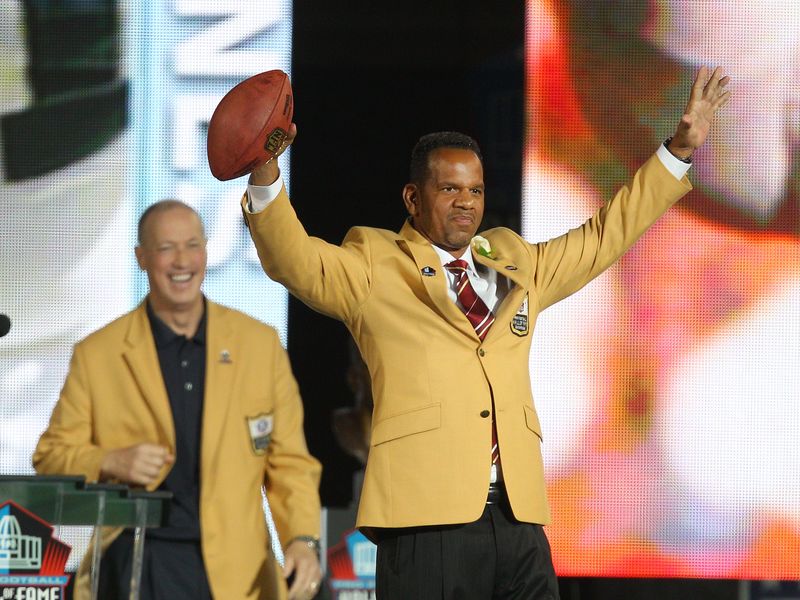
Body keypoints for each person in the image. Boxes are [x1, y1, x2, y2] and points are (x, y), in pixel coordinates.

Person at [241, 67, 730, 599]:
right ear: (413, 199)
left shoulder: (514, 260)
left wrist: (678, 152)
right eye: (449, 188)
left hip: (518, 519)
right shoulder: (374, 265)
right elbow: (294, 259)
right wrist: (265, 169)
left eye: (475, 189)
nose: (466, 201)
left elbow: (604, 235)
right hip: (427, 521)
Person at [33, 200, 323, 600]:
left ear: (206, 251)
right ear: (141, 258)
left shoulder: (260, 345)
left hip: (237, 569)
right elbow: (50, 456)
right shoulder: (99, 353)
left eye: (192, 245)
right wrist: (109, 460)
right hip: (140, 561)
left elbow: (289, 462)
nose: (182, 261)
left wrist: (302, 539)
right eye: (166, 248)